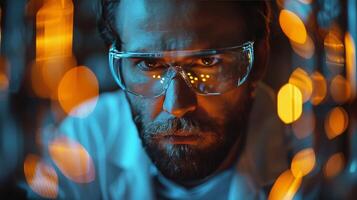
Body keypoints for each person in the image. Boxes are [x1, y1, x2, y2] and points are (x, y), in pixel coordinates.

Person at [39, 0, 289, 199]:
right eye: (149, 64)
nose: (177, 106)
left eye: (207, 62)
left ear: (259, 61)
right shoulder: (84, 143)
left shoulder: (305, 157)